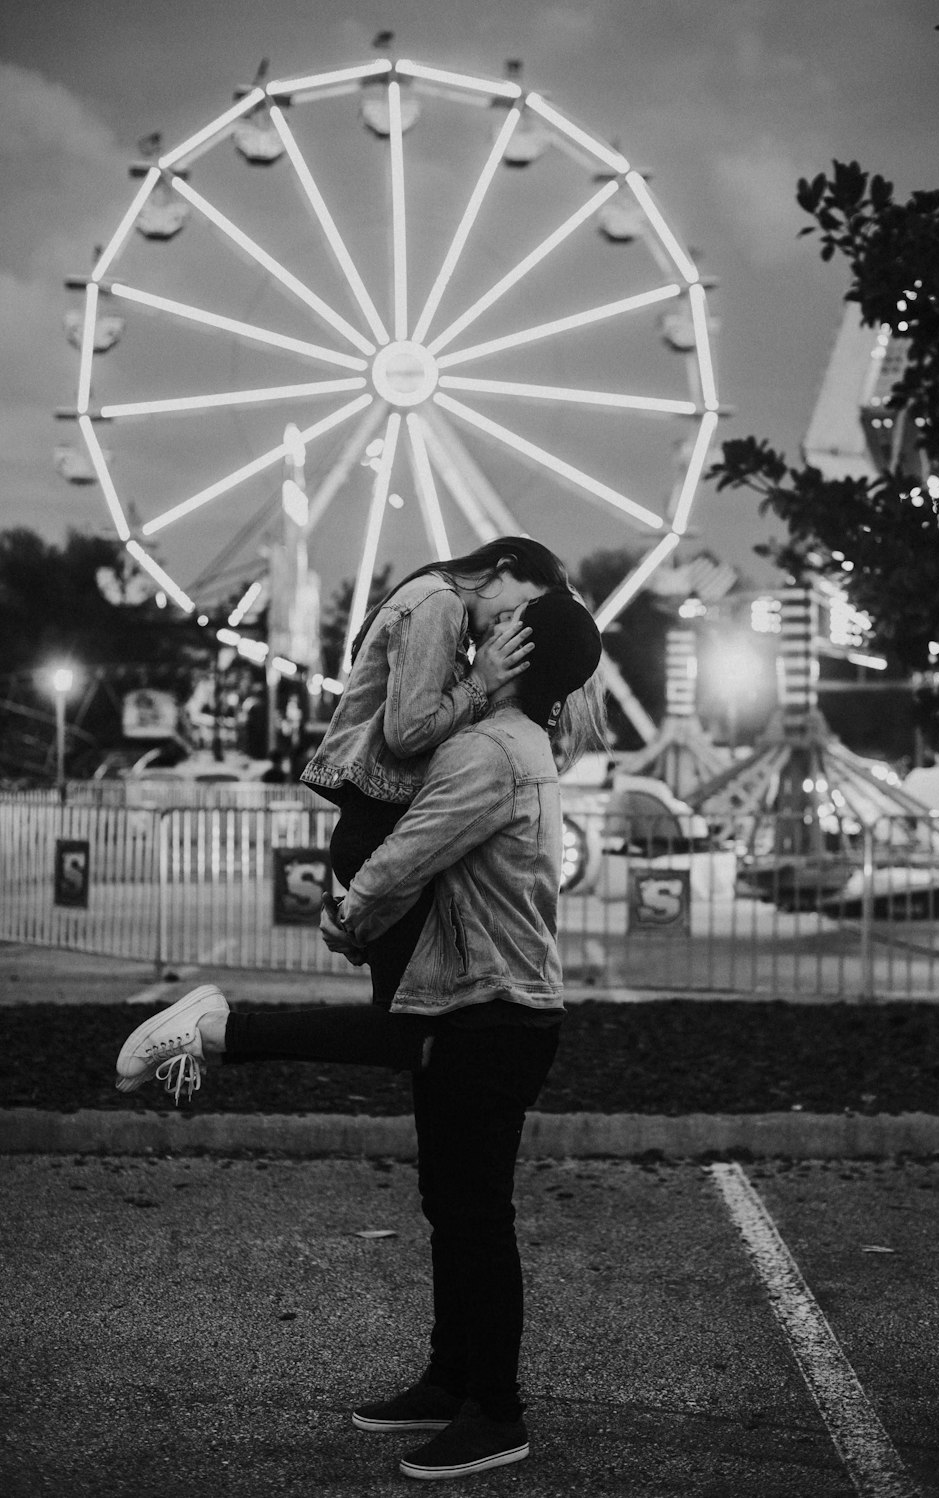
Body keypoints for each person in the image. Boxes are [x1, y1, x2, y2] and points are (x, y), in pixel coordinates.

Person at [115, 589, 605, 1483]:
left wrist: (348, 912)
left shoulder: (490, 751)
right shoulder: (515, 741)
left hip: (489, 1012)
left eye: (501, 625)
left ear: (523, 653)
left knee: (476, 1220)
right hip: (478, 1001)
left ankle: (496, 1411)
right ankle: (450, 1379)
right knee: (452, 1211)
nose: (478, 627)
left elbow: (412, 849)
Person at [300, 536, 571, 1007]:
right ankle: (223, 1031)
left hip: (372, 818)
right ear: (501, 567)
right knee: (405, 1024)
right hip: (382, 818)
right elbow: (407, 733)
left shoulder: (427, 601)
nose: (513, 622)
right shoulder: (438, 601)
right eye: (523, 603)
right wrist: (481, 682)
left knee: (407, 1018)